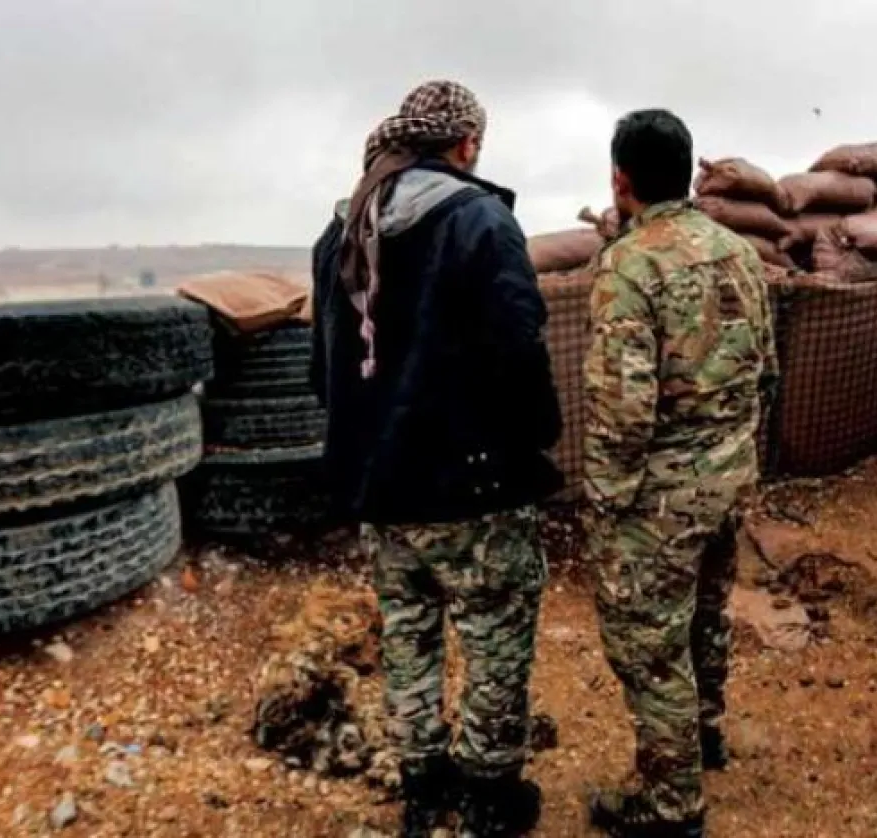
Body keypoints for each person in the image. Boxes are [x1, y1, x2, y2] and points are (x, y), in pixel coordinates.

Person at [309, 80, 563, 838]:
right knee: (493, 639)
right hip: (474, 487)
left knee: (409, 634)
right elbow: (521, 345)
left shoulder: (342, 231)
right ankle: (489, 797)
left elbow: (321, 368)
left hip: (382, 490)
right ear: (466, 147)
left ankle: (422, 791)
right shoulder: (480, 220)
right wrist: (535, 440)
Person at [582, 109, 778, 838]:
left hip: (658, 501)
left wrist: (606, 497)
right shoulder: (740, 252)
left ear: (620, 179)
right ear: (691, 173)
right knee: (705, 616)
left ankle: (670, 805)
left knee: (649, 646)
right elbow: (767, 372)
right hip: (728, 479)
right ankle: (702, 738)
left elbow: (623, 408)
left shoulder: (629, 265)